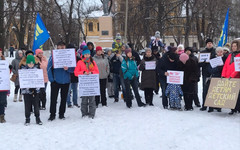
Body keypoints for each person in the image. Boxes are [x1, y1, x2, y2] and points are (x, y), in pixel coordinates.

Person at [47, 41, 74, 121]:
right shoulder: (53, 56)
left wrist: (68, 69)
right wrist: (52, 79)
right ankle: (52, 114)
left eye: (63, 47)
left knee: (64, 98)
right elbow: (48, 68)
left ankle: (61, 114)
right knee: (53, 99)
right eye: (59, 47)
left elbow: (73, 69)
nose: (61, 49)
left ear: (65, 47)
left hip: (66, 81)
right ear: (57, 48)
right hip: (56, 81)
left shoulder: (69, 56)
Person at [74, 49, 99, 118]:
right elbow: (76, 72)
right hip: (84, 84)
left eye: (88, 54)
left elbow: (97, 71)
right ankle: (84, 113)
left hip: (92, 84)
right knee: (84, 100)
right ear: (83, 55)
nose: (87, 55)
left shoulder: (93, 62)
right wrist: (83, 72)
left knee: (92, 100)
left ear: (90, 55)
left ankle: (92, 114)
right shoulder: (80, 62)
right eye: (85, 54)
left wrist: (92, 72)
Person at [21, 55, 42, 126]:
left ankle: (38, 118)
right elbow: (22, 82)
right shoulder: (23, 71)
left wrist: (36, 89)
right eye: (29, 63)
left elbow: (39, 81)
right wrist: (27, 88)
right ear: (26, 63)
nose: (31, 65)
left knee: (36, 105)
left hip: (35, 92)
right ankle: (27, 119)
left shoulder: (37, 71)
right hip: (26, 92)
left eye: (32, 63)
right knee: (27, 105)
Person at [222, 40, 240, 115]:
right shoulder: (230, 55)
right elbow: (226, 65)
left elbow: (238, 68)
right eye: (232, 46)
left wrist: (232, 76)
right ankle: (232, 109)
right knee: (231, 94)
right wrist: (223, 75)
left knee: (237, 95)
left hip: (236, 78)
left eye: (235, 46)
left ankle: (238, 108)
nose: (233, 47)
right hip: (228, 77)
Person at [207, 47, 226, 113]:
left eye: (221, 52)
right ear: (216, 53)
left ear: (223, 52)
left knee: (219, 93)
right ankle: (211, 107)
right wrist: (218, 68)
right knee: (212, 93)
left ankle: (218, 107)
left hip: (222, 77)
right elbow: (210, 70)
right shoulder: (213, 59)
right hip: (214, 77)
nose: (220, 53)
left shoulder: (225, 58)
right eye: (218, 52)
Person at [199, 39, 216, 111]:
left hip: (213, 73)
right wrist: (204, 62)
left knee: (212, 90)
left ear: (212, 44)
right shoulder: (203, 52)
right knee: (205, 89)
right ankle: (204, 105)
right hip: (205, 73)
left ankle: (211, 106)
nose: (209, 44)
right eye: (208, 43)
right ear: (206, 44)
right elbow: (199, 64)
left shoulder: (215, 52)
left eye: (210, 43)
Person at [66, 44, 80, 108]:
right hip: (68, 75)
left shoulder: (77, 58)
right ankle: (69, 103)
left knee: (75, 89)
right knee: (68, 90)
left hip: (75, 76)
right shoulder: (66, 57)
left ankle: (75, 102)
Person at [0, 49, 8, 123]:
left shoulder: (4, 62)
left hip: (2, 86)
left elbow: (6, 74)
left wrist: (9, 69)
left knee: (2, 102)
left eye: (1, 52)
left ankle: (2, 116)